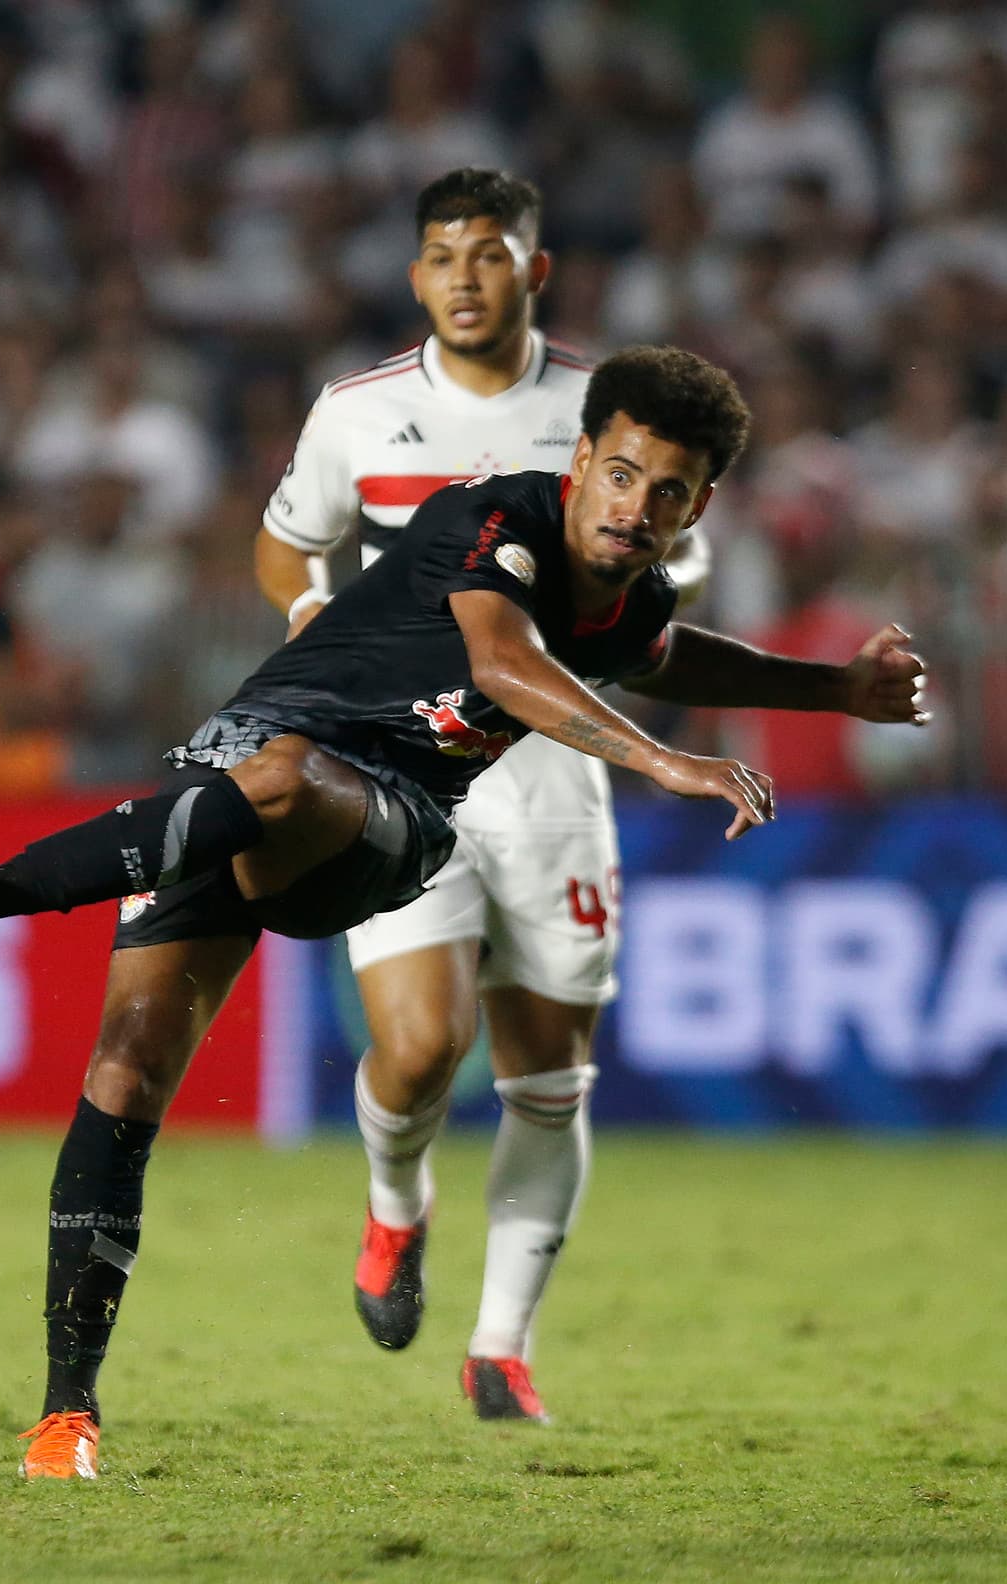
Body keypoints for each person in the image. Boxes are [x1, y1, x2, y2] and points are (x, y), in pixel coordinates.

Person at [0, 345, 925, 1478]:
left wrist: (833, 688)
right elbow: (499, 661)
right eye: (622, 475)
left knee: (294, 785)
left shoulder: (627, 593)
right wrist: (663, 763)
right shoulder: (492, 517)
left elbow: (661, 655)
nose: (636, 509)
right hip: (236, 765)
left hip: (384, 818)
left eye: (668, 493)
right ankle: (65, 1417)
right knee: (125, 1069)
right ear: (583, 458)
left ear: (701, 503)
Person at [253, 167, 712, 1423]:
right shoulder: (356, 412)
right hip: (400, 759)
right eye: (443, 256)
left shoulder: (604, 411)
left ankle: (499, 1348)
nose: (465, 276)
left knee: (546, 1069)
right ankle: (394, 1203)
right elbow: (288, 534)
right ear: (415, 277)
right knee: (413, 1053)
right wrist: (312, 612)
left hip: (556, 770)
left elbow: (669, 580)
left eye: (491, 253)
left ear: (534, 270)